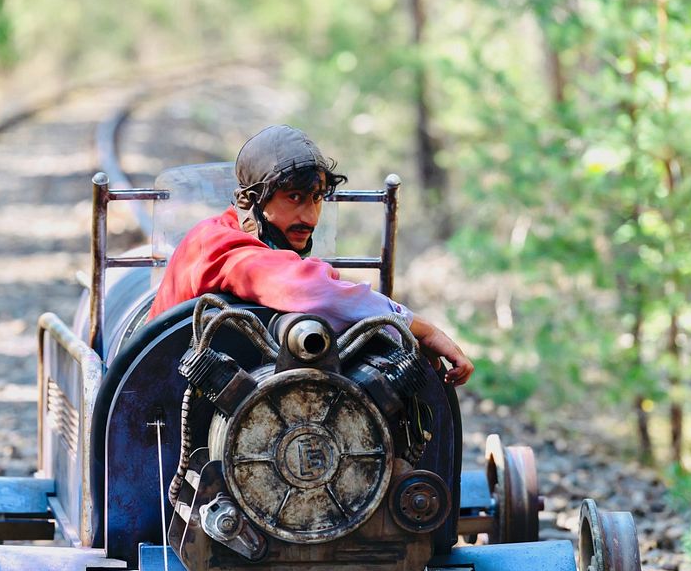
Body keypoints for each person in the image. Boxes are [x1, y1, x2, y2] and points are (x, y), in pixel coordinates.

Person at [148, 125, 473, 386]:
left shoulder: (252, 245)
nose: (310, 216)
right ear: (251, 201)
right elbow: (310, 289)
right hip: (169, 416)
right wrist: (424, 330)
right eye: (294, 197)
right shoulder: (219, 244)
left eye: (317, 198)